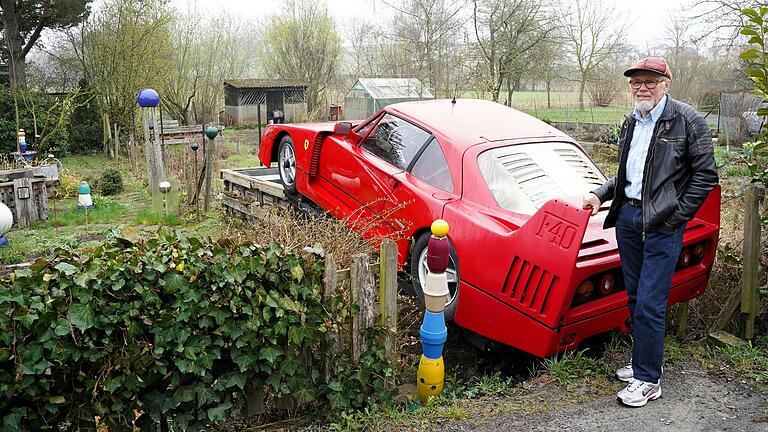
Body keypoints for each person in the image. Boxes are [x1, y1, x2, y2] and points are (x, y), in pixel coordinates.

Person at [582, 57, 719, 407]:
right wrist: (600, 194)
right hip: (627, 220)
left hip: (663, 226)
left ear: (666, 84)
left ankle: (648, 379)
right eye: (636, 82)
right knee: (634, 298)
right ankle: (643, 360)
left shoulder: (687, 121)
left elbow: (705, 176)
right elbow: (628, 174)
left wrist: (675, 217)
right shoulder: (631, 122)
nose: (642, 87)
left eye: (650, 81)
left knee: (650, 302)